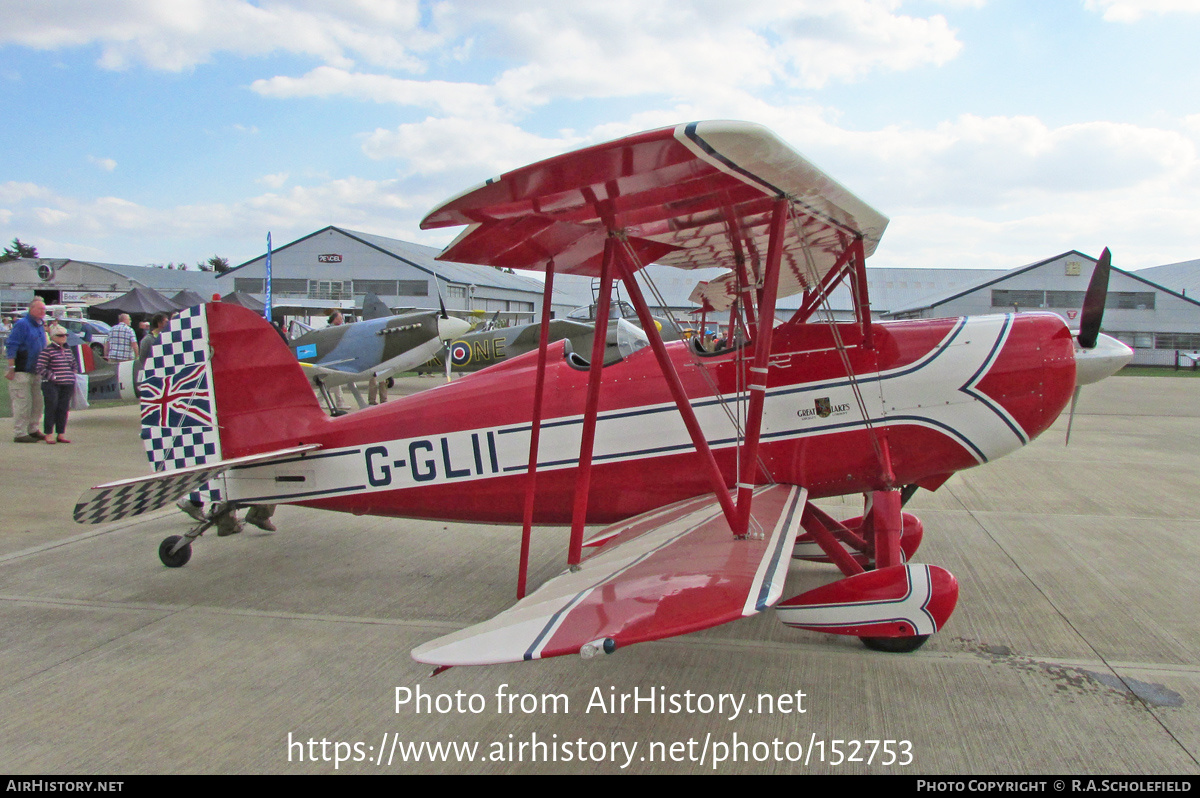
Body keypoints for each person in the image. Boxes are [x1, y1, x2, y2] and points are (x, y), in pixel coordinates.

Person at [6, 299, 48, 443]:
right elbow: (11, 345)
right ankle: (20, 432)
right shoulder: (22, 324)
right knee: (23, 402)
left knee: (37, 402)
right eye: (40, 309)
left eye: (44, 310)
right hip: (21, 370)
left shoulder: (40, 325)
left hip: (36, 370)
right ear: (31, 309)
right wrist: (11, 367)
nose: (43, 312)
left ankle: (33, 428)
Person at [35, 325, 78, 444]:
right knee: (51, 407)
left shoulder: (68, 350)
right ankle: (49, 433)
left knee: (63, 408)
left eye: (65, 335)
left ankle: (61, 433)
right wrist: (52, 376)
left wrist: (72, 373)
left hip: (67, 383)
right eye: (60, 335)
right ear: (53, 337)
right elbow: (40, 367)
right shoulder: (47, 350)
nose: (64, 337)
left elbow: (74, 364)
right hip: (51, 384)